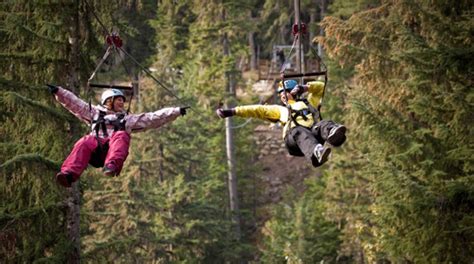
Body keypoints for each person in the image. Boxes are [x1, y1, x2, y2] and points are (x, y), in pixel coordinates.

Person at [47, 84, 189, 187]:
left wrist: (176, 111)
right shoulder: (94, 113)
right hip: (95, 152)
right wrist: (59, 92)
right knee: (86, 140)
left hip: (113, 153)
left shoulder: (127, 119)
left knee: (121, 135)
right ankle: (69, 174)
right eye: (118, 99)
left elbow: (152, 118)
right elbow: (75, 104)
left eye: (122, 100)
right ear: (108, 101)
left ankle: (111, 165)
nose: (122, 102)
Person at [216, 79, 346, 167]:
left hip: (312, 136)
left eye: (284, 92)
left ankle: (333, 134)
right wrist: (232, 111)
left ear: (293, 92)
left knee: (322, 123)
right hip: (294, 140)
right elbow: (257, 110)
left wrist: (305, 87)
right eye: (280, 94)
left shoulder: (308, 103)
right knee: (297, 131)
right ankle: (316, 152)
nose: (282, 96)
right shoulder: (280, 110)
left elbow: (321, 87)